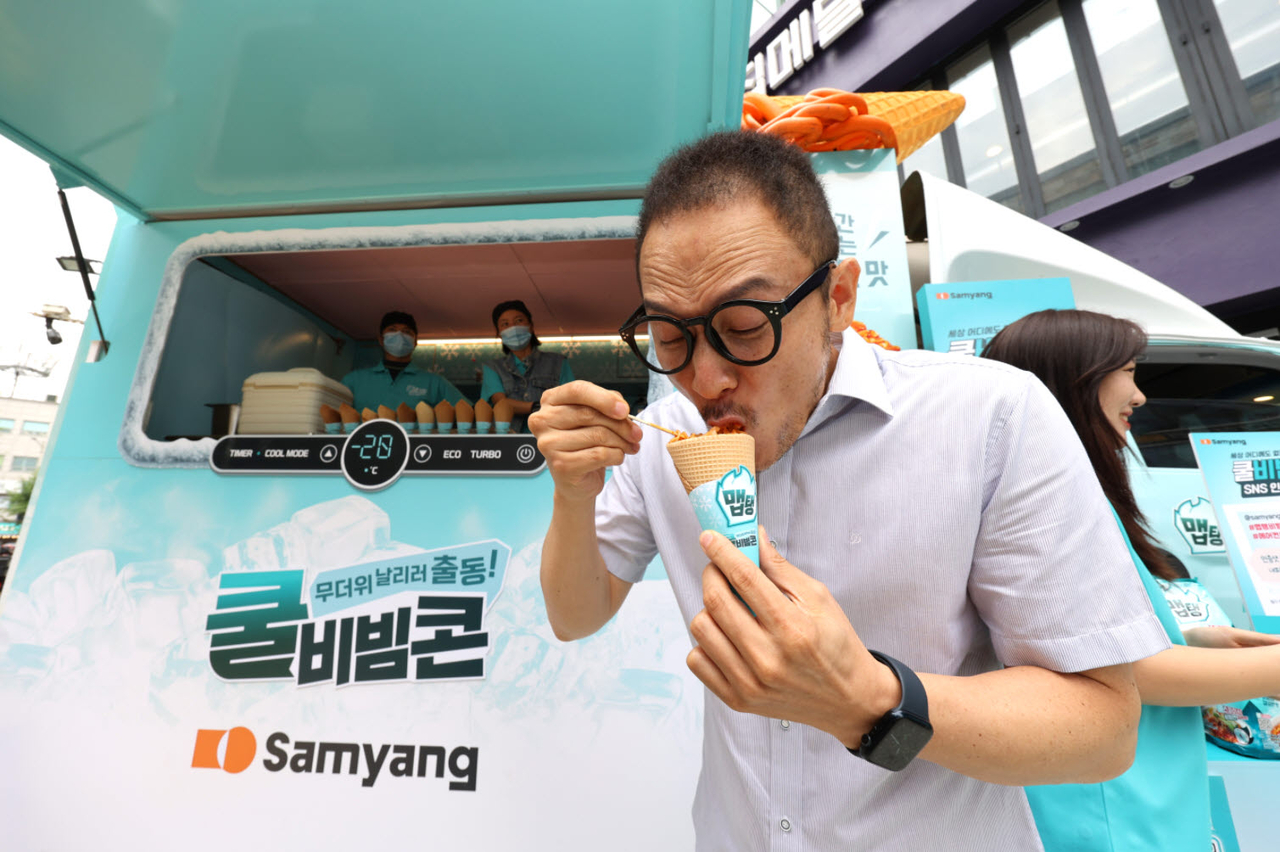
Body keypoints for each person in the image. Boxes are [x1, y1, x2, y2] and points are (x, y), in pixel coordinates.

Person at [528, 131, 1172, 851]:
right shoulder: (660, 440)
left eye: (745, 327)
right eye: (670, 337)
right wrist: (573, 493)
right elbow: (574, 614)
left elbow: (1104, 729)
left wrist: (869, 701)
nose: (705, 381)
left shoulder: (991, 417)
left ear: (838, 298)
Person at [983, 309, 1280, 852]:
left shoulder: (1059, 497)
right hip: (1113, 805)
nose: (1139, 396)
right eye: (1127, 372)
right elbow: (1121, 668)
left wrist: (1191, 641)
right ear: (1073, 382)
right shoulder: (1058, 505)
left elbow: (1084, 644)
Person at [479, 300, 574, 432]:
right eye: (505, 324)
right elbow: (501, 402)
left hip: (549, 436)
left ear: (531, 326)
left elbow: (570, 400)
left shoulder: (558, 362)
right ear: (499, 333)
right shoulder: (492, 367)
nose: (513, 327)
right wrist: (536, 406)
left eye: (519, 320)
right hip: (507, 438)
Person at [341, 310, 464, 412]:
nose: (399, 335)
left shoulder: (435, 383)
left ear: (415, 342)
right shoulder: (353, 381)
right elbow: (333, 417)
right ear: (381, 339)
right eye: (392, 330)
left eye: (407, 332)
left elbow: (468, 411)